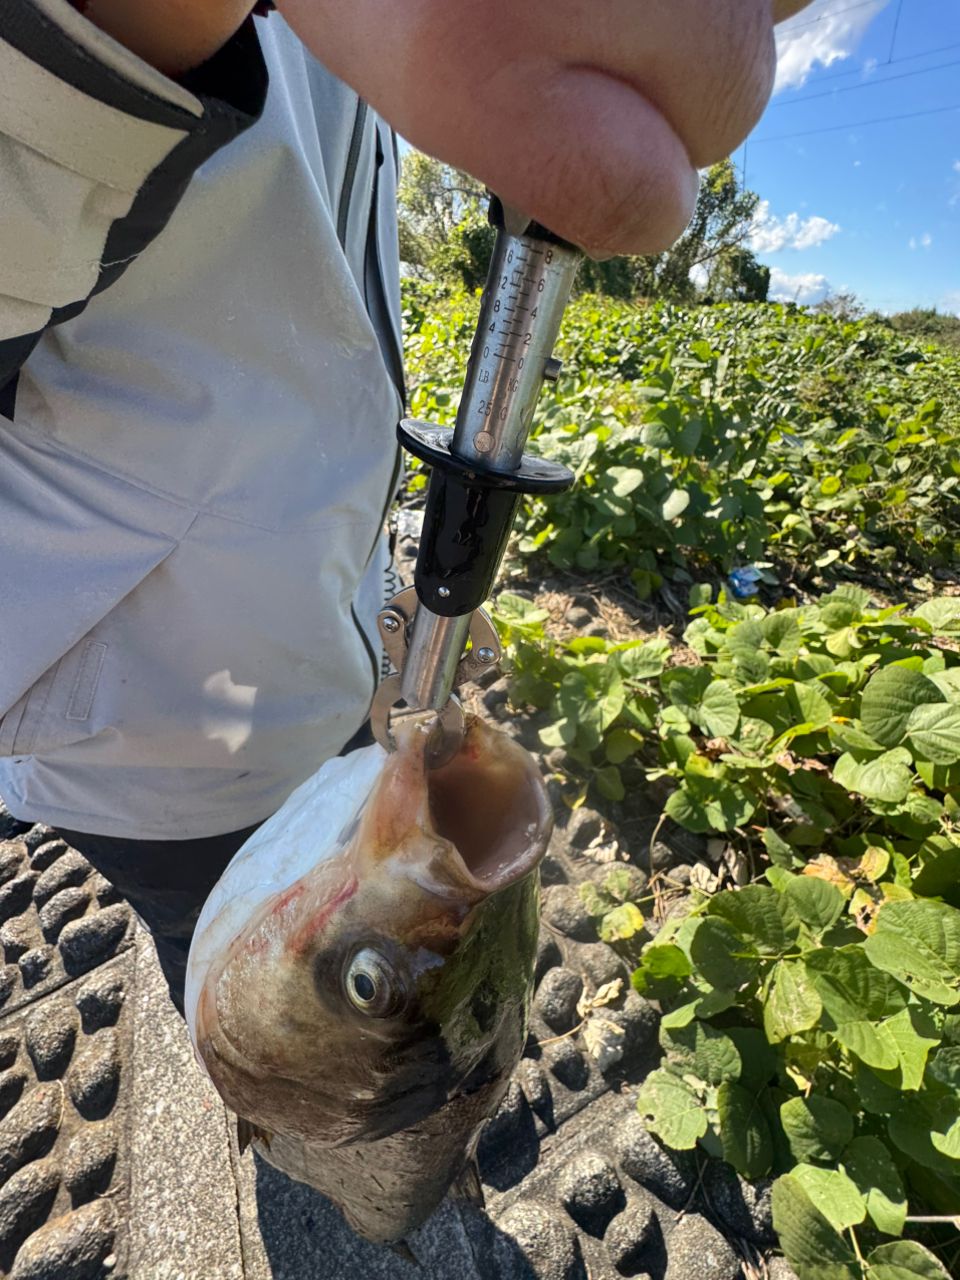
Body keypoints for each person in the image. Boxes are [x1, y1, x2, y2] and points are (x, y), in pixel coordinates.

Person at [0, 0, 812, 1010]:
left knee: (356, 960)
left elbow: (299, 352)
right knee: (241, 979)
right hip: (152, 747)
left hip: (327, 683)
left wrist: (377, 591)